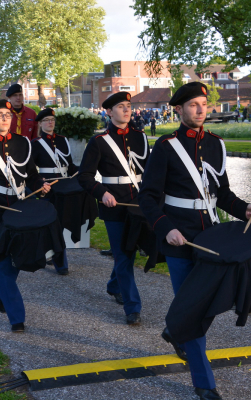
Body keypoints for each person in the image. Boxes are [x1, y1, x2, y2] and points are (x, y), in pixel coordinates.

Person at [138, 82, 251, 400]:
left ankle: (175, 327)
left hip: (212, 237)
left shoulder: (217, 144)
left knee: (205, 304)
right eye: (193, 104)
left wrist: (242, 209)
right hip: (180, 239)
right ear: (178, 110)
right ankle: (204, 383)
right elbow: (148, 199)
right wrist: (165, 228)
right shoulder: (165, 147)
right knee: (193, 307)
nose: (200, 109)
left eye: (203, 103)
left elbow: (222, 195)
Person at [0, 99, 51, 333]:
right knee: (3, 266)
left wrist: (41, 185)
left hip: (20, 208)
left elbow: (31, 174)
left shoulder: (23, 143)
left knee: (16, 263)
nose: (4, 118)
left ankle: (1, 291)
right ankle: (17, 319)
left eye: (7, 114)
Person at [78, 91, 149, 326]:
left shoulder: (141, 137)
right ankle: (133, 307)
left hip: (139, 204)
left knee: (128, 252)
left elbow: (149, 172)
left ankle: (113, 285)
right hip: (114, 205)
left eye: (128, 105)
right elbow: (85, 177)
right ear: (109, 112)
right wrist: (102, 193)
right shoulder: (98, 142)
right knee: (123, 254)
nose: (126, 110)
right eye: (120, 106)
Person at [31, 108, 79, 275]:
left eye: (52, 119)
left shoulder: (63, 140)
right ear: (40, 123)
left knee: (62, 224)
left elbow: (70, 165)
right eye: (46, 120)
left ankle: (53, 254)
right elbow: (30, 169)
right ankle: (60, 263)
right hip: (48, 188)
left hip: (65, 188)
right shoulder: (36, 144)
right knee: (50, 225)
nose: (50, 122)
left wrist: (82, 171)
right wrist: (39, 182)